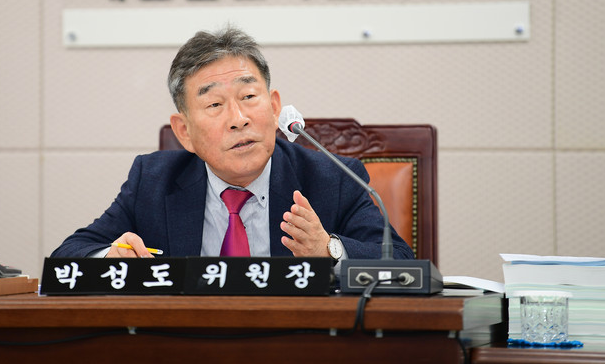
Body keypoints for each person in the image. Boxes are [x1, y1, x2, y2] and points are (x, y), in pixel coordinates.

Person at [52, 26, 413, 262]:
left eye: (249, 97)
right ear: (184, 132)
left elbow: (400, 262)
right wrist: (110, 259)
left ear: (274, 108)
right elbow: (69, 254)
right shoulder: (153, 181)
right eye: (214, 105)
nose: (238, 119)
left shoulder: (332, 179)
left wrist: (328, 250)